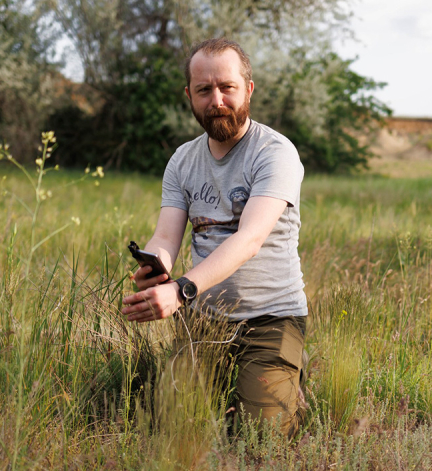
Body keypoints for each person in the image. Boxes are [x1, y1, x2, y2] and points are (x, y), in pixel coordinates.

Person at [121, 38, 308, 438]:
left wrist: (182, 289)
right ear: (190, 95)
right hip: (205, 321)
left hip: (271, 319)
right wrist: (155, 268)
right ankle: (250, 383)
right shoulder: (183, 160)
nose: (217, 100)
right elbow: (166, 237)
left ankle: (290, 383)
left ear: (248, 89)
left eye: (227, 87)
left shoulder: (275, 153)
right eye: (204, 90)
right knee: (169, 424)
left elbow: (249, 239)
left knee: (261, 437)